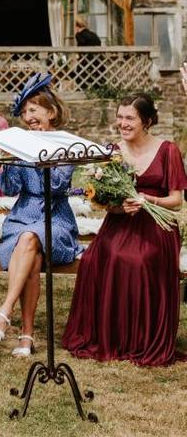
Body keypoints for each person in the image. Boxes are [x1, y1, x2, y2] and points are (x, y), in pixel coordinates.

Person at [62, 94, 186, 366]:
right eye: (120, 117)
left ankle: (139, 339)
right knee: (95, 258)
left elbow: (176, 201)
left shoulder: (168, 151)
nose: (122, 123)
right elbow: (104, 202)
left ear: (147, 121)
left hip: (156, 223)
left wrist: (146, 200)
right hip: (120, 222)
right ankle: (111, 336)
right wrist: (120, 207)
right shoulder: (112, 152)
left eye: (130, 118)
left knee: (137, 260)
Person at [0, 75, 79, 357]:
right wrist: (10, 160)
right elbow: (12, 188)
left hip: (55, 218)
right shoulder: (19, 142)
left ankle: (4, 312)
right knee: (31, 253)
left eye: (34, 110)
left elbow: (57, 186)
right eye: (25, 112)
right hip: (22, 216)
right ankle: (26, 337)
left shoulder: (66, 144)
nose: (28, 117)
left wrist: (35, 155)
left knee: (31, 237)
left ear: (51, 112)